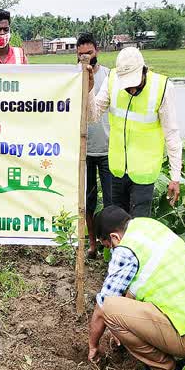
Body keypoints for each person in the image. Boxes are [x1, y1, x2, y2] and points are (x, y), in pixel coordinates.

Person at [88, 206, 185, 370]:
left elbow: (104, 307)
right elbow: (134, 291)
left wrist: (93, 345)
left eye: (109, 246)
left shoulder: (125, 249)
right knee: (117, 311)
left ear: (115, 237)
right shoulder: (148, 226)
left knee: (110, 309)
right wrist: (122, 327)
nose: (112, 250)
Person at [87, 47, 182, 217]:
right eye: (127, 85)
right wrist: (88, 90)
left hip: (144, 173)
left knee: (138, 226)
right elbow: (92, 116)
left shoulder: (162, 88)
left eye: (134, 84)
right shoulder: (112, 80)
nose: (131, 90)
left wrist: (175, 177)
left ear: (144, 71)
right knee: (117, 226)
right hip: (116, 170)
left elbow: (172, 135)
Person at [76, 32, 111, 259]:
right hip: (84, 150)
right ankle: (91, 245)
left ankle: (110, 244)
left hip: (109, 149)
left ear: (96, 51)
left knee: (110, 202)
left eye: (89, 52)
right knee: (87, 201)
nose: (85, 57)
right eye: (81, 54)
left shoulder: (109, 76)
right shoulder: (73, 78)